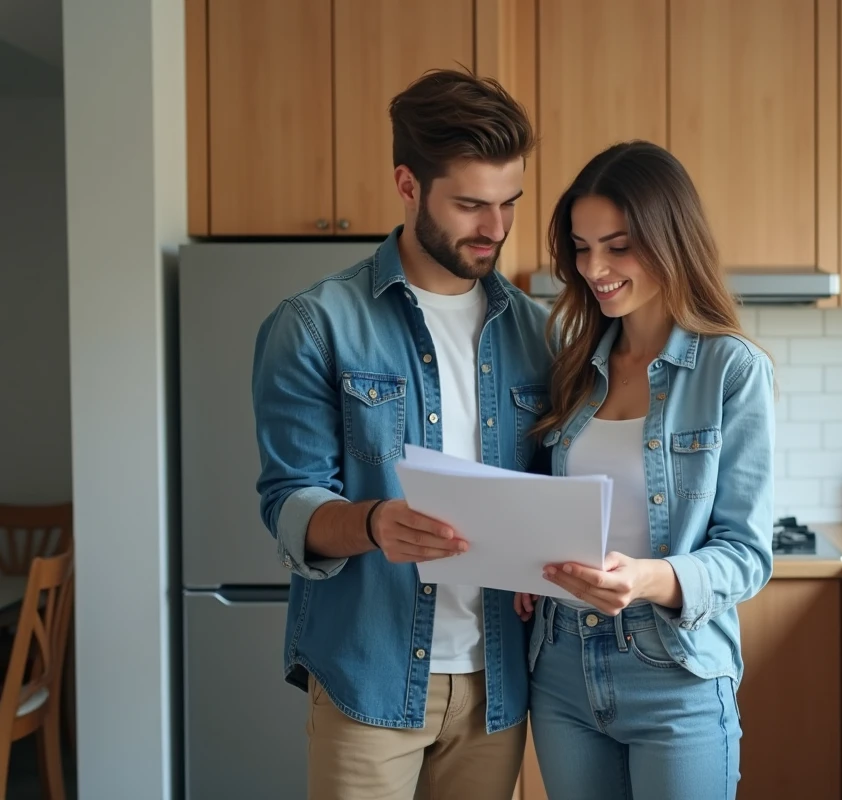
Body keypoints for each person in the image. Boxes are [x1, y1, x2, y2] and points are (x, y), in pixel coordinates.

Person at [251, 69, 551, 800]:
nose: (496, 228)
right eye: (471, 205)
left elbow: (549, 489)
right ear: (408, 185)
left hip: (498, 684)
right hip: (370, 677)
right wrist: (375, 523)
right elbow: (288, 504)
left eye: (509, 203)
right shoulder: (316, 324)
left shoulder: (539, 333)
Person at [514, 140, 776, 799]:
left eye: (618, 245)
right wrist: (525, 568)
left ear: (669, 240)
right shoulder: (572, 366)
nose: (594, 266)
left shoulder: (730, 370)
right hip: (561, 666)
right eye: (581, 246)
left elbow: (747, 556)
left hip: (675, 670)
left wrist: (648, 579)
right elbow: (550, 510)